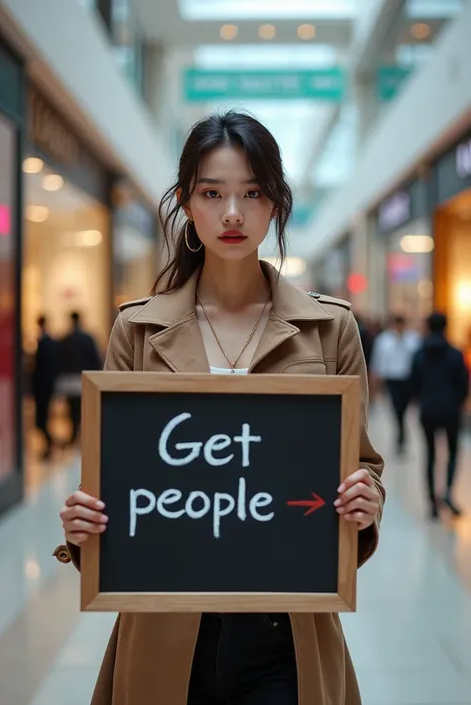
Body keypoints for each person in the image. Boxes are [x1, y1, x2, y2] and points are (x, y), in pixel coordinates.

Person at [56, 112, 385, 705]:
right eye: (212, 193)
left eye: (252, 193)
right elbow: (117, 484)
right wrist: (86, 526)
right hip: (165, 624)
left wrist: (367, 500)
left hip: (287, 627)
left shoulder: (330, 328)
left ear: (276, 204)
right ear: (187, 203)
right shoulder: (138, 328)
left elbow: (364, 463)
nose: (232, 212)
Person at [409, 312, 468, 519]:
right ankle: (448, 493)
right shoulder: (454, 353)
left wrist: (422, 400)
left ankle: (432, 502)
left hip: (428, 410)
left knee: (430, 454)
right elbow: (463, 384)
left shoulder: (419, 353)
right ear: (445, 327)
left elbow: (413, 382)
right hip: (450, 410)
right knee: (452, 451)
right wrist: (457, 402)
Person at [370, 314, 420, 454]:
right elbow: (378, 360)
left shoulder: (413, 339)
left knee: (404, 409)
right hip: (392, 379)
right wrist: (376, 380)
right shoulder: (384, 340)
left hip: (408, 379)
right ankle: (401, 436)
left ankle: (401, 434)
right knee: (397, 408)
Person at [58, 311, 102, 446]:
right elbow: (95, 359)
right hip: (85, 378)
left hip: (69, 379)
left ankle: (74, 434)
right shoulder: (87, 338)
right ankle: (83, 434)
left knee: (72, 410)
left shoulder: (65, 339)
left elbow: (60, 360)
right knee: (85, 408)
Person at [32, 315, 58, 459]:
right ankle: (50, 444)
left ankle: (51, 443)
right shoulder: (48, 341)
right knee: (41, 419)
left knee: (41, 419)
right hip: (45, 385)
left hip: (43, 386)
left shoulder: (45, 342)